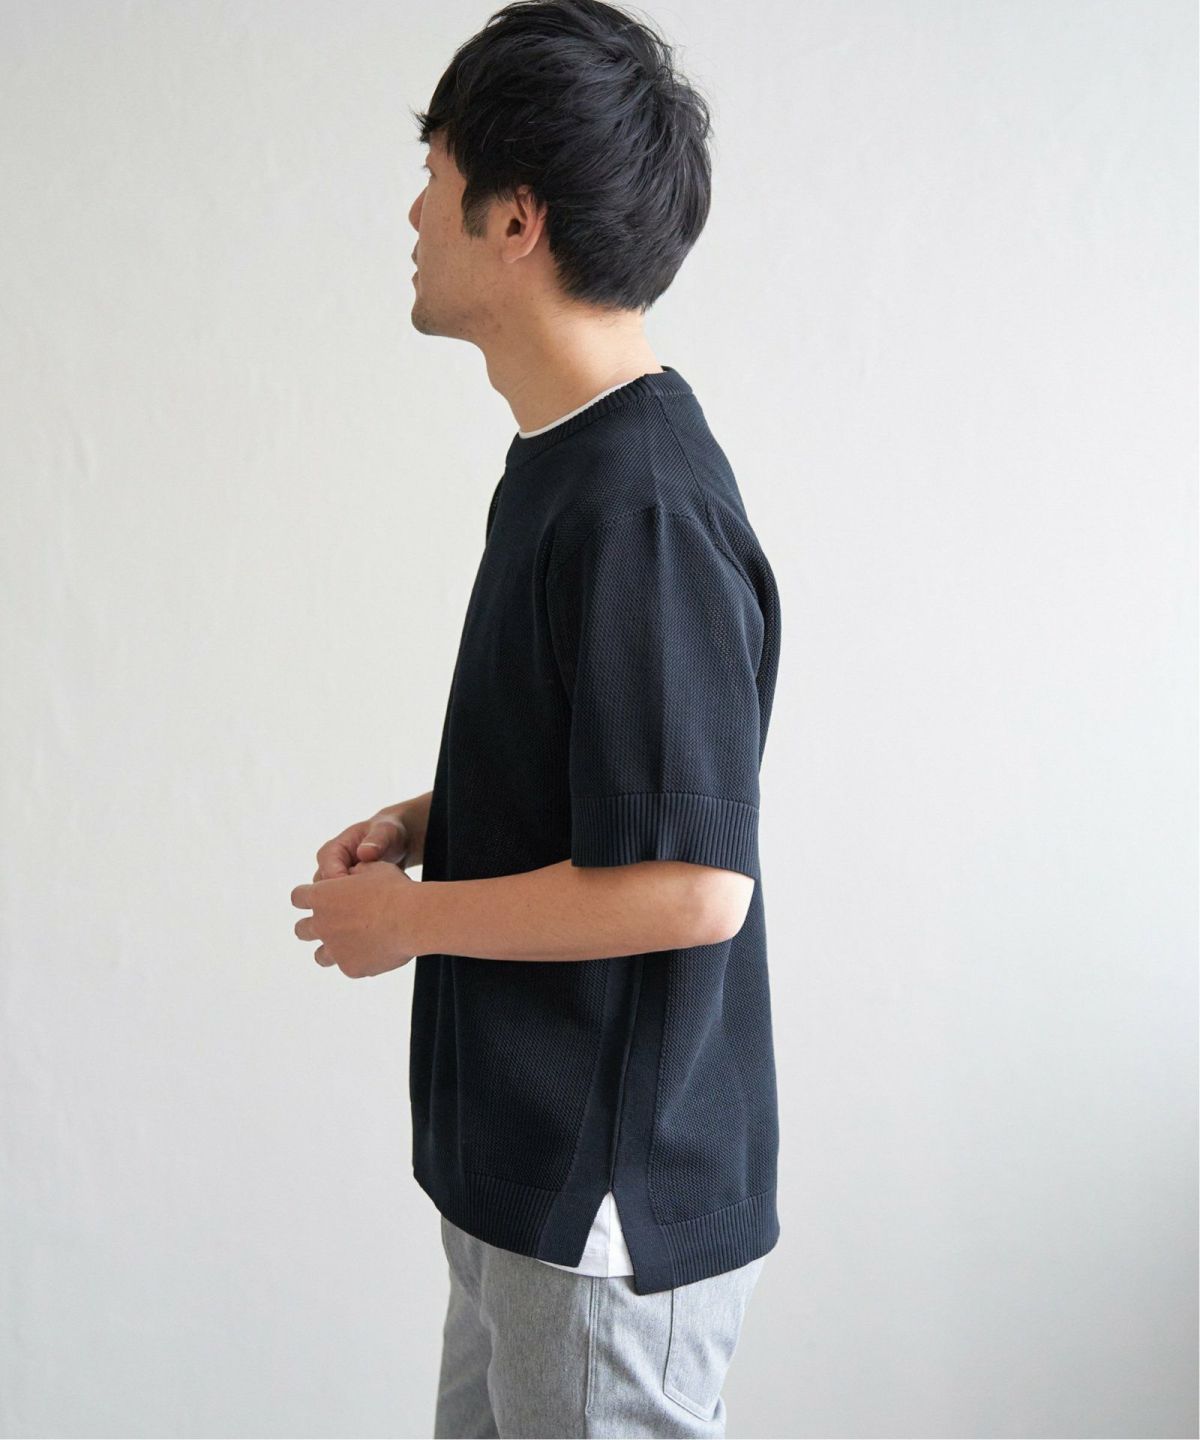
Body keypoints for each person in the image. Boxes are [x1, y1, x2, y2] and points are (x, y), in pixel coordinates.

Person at [290, 1, 783, 1434]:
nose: (413, 210)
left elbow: (693, 886)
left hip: (602, 1218)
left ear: (517, 217)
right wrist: (432, 821)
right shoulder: (569, 464)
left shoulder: (643, 503)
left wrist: (412, 922)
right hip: (529, 1187)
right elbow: (620, 778)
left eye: (435, 172)